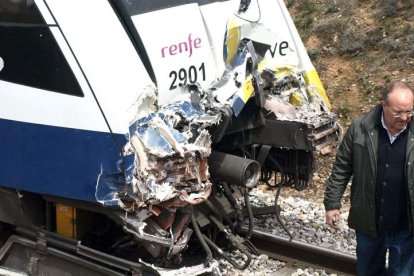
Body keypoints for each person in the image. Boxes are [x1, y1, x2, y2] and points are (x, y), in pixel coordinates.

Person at [324, 80, 414, 275]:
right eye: (398, 112)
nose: (405, 118)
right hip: (369, 221)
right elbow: (341, 168)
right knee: (368, 271)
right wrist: (332, 203)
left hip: (406, 225)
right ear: (384, 105)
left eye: (409, 112)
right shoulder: (360, 128)